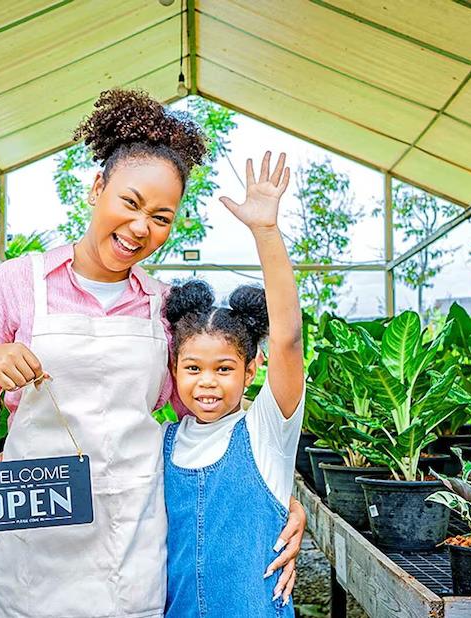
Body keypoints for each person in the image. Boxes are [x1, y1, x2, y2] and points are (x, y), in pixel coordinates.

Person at [0, 90, 305, 617]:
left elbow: (206, 419)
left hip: (135, 542)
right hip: (37, 538)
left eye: (161, 216)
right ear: (97, 187)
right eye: (130, 203)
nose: (140, 229)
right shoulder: (15, 284)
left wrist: (277, 503)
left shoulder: (165, 306)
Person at [161, 152, 304, 616]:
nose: (207, 383)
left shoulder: (267, 432)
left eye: (224, 369)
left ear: (251, 369)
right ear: (174, 368)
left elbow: (287, 340)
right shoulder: (160, 442)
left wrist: (265, 231)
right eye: (192, 368)